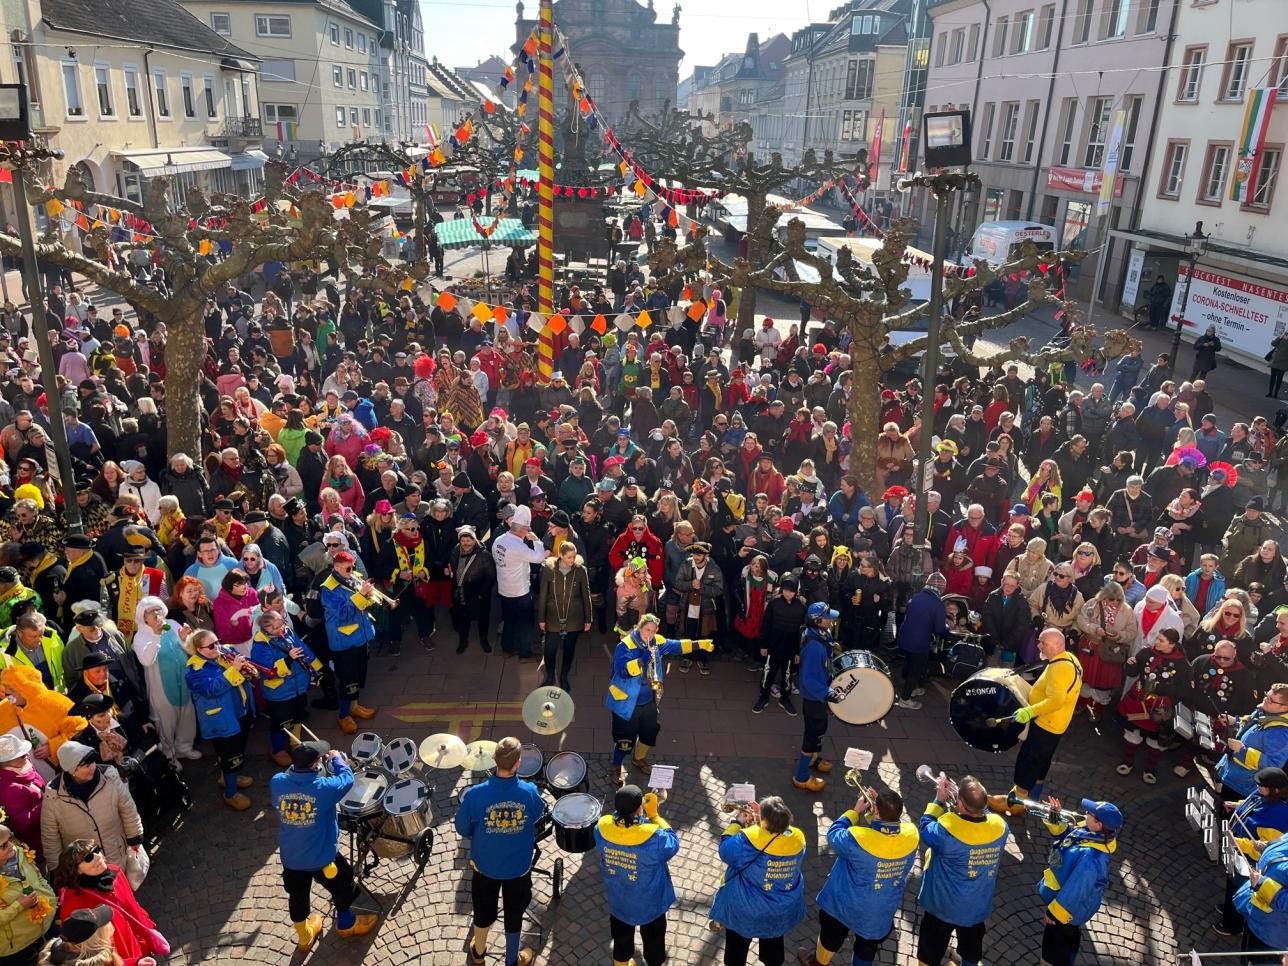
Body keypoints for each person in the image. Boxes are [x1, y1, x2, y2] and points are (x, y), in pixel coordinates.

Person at [271, 741, 377, 953]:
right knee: (343, 883)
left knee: (298, 896)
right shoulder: (323, 788)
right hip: (322, 858)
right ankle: (347, 925)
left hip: (291, 858)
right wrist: (337, 759)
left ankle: (304, 937)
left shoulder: (277, 782)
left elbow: (293, 777)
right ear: (315, 765)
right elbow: (346, 779)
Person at [799, 787, 917, 966]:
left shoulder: (857, 839)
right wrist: (876, 811)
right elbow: (883, 832)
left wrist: (855, 812)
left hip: (845, 905)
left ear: (876, 810)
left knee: (831, 937)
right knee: (866, 948)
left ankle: (818, 963)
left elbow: (833, 835)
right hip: (879, 910)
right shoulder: (911, 835)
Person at [454, 736, 545, 966]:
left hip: (485, 866)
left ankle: (478, 953)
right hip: (518, 868)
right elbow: (536, 815)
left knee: (483, 911)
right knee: (514, 915)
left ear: (495, 761)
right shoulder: (530, 792)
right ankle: (511, 959)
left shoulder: (475, 795)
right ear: (517, 763)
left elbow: (462, 828)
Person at [605, 614, 712, 785]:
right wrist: (640, 661)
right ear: (639, 628)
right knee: (625, 740)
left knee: (649, 733)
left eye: (653, 631)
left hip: (649, 701)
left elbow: (676, 646)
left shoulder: (656, 642)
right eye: (647, 630)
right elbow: (622, 671)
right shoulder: (624, 646)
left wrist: (700, 644)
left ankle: (638, 759)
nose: (650, 634)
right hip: (626, 704)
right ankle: (616, 766)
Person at [916, 772, 1010, 966]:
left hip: (942, 905)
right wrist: (967, 799)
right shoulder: (1000, 826)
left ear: (960, 803)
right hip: (976, 905)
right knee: (971, 949)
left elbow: (925, 828)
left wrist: (939, 800)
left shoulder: (947, 830)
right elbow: (985, 813)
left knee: (930, 949)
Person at [989, 627, 1083, 816]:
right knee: (1042, 760)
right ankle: (1033, 796)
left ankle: (1016, 803)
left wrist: (1029, 711)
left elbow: (1056, 700)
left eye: (1043, 643)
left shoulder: (1060, 668)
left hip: (1046, 724)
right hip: (1056, 724)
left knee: (1029, 759)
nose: (1039, 645)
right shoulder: (1069, 659)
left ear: (1056, 645)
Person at [709, 796, 806, 966]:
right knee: (773, 948)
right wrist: (761, 821)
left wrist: (737, 823)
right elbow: (773, 837)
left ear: (765, 821)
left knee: (736, 951)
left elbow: (726, 850)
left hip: (745, 910)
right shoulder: (798, 838)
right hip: (779, 909)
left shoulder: (747, 840)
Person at [594, 783, 680, 966]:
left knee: (621, 940)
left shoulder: (601, 829)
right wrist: (654, 815)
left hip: (620, 902)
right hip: (651, 906)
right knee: (654, 943)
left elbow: (615, 824)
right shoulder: (655, 838)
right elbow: (673, 842)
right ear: (639, 808)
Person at [1035, 798, 1122, 966]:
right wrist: (1055, 816)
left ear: (1098, 825)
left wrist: (1055, 914)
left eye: (1091, 813)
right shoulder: (1091, 833)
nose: (1086, 813)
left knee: (1054, 948)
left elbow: (1076, 890)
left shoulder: (1091, 857)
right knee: (1070, 938)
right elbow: (1066, 835)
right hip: (1071, 910)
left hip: (1065, 912)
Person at [50, 839, 164, 965]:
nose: (97, 857)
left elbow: (134, 907)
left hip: (141, 947)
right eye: (88, 858)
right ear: (76, 870)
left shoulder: (115, 872)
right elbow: (87, 955)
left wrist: (149, 930)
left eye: (97, 850)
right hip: (120, 959)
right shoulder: (73, 906)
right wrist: (133, 963)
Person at [39, 740, 144, 875]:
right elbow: (50, 836)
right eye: (86, 765)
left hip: (116, 854)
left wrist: (134, 837)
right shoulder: (53, 796)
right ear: (71, 770)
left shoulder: (110, 777)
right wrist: (56, 870)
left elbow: (128, 808)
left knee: (121, 889)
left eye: (93, 762)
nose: (93, 767)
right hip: (85, 868)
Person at [183, 629, 255, 811]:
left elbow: (240, 677)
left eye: (217, 642)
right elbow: (212, 689)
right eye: (211, 646)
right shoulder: (194, 671)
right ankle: (231, 793)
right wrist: (234, 669)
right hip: (221, 719)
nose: (218, 647)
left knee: (237, 750)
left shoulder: (224, 652)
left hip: (239, 711)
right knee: (229, 754)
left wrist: (246, 671)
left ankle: (230, 776)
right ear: (198, 649)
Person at [1213, 767, 1288, 938]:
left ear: (1275, 789)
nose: (1257, 788)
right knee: (1231, 882)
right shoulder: (1265, 794)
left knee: (1237, 884)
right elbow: (1253, 803)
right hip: (1238, 847)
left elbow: (1260, 850)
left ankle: (1232, 925)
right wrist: (1237, 805)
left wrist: (1236, 842)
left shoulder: (1279, 817)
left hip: (1247, 857)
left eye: (1261, 786)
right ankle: (1229, 905)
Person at [251, 611, 322, 768]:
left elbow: (303, 648)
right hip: (279, 692)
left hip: (297, 686)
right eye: (275, 628)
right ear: (265, 629)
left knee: (298, 715)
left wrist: (317, 668)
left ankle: (295, 743)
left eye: (281, 625)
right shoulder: (261, 646)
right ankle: (277, 750)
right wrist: (288, 659)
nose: (280, 630)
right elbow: (267, 670)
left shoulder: (287, 632)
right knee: (280, 722)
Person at [319, 550, 379, 734]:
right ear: (336, 567)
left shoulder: (353, 578)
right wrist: (361, 595)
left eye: (352, 566)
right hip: (344, 641)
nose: (351, 570)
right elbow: (343, 614)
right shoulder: (328, 588)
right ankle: (343, 715)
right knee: (348, 680)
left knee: (358, 675)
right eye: (347, 568)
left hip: (359, 637)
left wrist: (368, 597)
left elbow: (363, 605)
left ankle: (354, 707)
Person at [492, 505, 550, 661]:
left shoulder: (498, 540)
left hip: (504, 589)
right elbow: (539, 558)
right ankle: (525, 652)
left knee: (509, 620)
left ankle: (507, 647)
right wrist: (536, 540)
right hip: (520, 591)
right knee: (525, 623)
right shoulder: (518, 546)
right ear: (523, 529)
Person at [793, 602, 840, 793]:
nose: (831, 620)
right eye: (828, 617)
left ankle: (813, 758)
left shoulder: (822, 635)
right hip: (814, 699)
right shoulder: (814, 647)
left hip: (818, 697)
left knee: (820, 729)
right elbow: (809, 679)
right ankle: (801, 776)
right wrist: (828, 693)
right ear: (817, 621)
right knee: (812, 735)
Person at [535, 541, 592, 692]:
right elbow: (543, 595)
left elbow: (586, 596)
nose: (572, 560)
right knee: (550, 649)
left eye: (573, 557)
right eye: (568, 557)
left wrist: (588, 619)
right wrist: (541, 618)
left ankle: (564, 676)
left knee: (569, 649)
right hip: (553, 616)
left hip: (574, 617)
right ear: (560, 555)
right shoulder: (548, 569)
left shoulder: (581, 571)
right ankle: (549, 676)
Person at [1217, 683, 1288, 801]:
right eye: (1267, 695)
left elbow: (1272, 765)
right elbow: (1250, 721)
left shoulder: (1281, 733)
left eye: (1270, 700)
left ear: (1284, 708)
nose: (1265, 699)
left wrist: (1241, 750)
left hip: (1242, 785)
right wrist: (1235, 721)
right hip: (1233, 774)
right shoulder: (1266, 710)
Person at [0, 820, 55, 966]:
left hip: (47, 928)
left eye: (10, 838)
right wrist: (19, 905)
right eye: (4, 845)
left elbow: (38, 876)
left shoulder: (20, 852)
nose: (11, 845)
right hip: (17, 949)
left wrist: (50, 898)